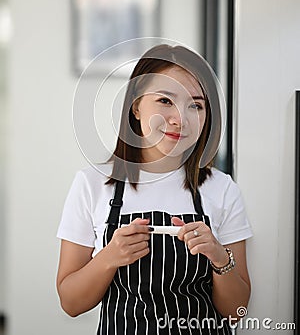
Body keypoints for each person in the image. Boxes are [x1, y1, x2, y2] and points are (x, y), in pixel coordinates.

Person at [56, 43, 252, 334]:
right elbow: (71, 302)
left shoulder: (222, 189)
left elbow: (236, 312)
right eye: (165, 101)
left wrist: (219, 257)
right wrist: (110, 257)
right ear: (136, 106)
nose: (180, 119)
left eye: (195, 105)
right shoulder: (92, 184)